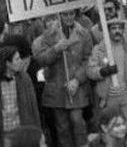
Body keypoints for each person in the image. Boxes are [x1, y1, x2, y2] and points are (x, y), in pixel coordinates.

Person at [32, 12, 92, 147]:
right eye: (65, 14)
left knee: (78, 121)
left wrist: (77, 80)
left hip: (76, 88)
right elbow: (41, 60)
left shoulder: (84, 33)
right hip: (57, 88)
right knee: (62, 127)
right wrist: (56, 49)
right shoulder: (48, 34)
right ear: (59, 14)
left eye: (71, 14)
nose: (69, 17)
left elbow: (88, 59)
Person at [87, 18, 127, 144]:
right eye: (113, 28)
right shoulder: (99, 50)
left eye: (119, 28)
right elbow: (90, 71)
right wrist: (103, 71)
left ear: (123, 30)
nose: (117, 31)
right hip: (108, 98)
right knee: (110, 132)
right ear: (108, 31)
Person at [0, 46, 40, 145]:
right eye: (17, 59)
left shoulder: (24, 79)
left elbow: (33, 107)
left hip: (21, 130)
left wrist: (37, 131)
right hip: (4, 132)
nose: (21, 61)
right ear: (7, 63)